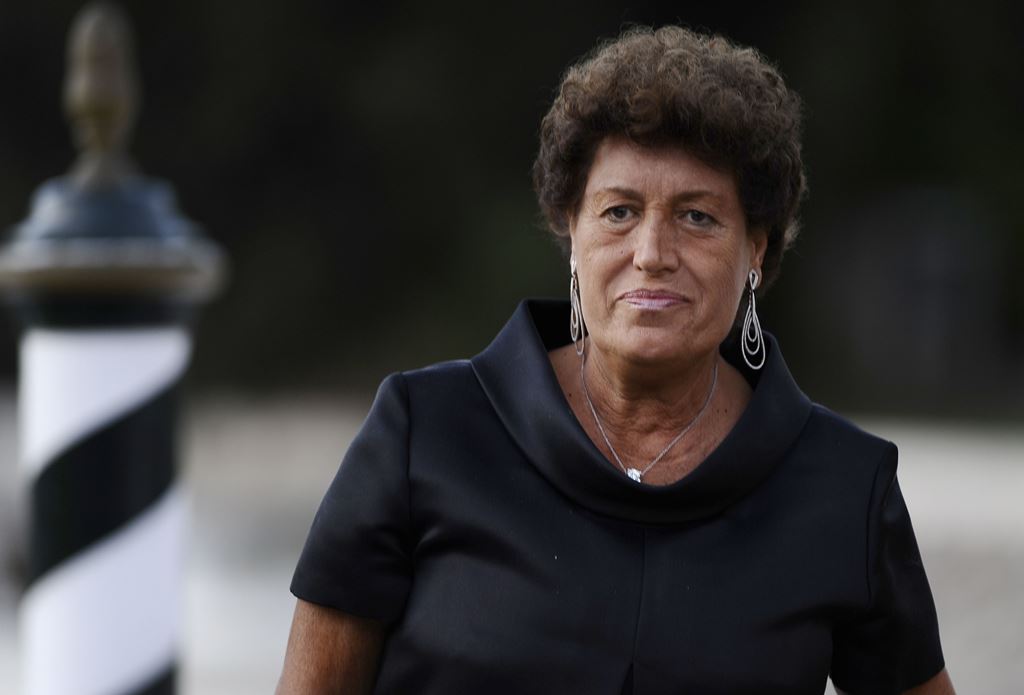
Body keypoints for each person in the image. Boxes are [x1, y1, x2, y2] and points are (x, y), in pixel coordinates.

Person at [277, 26, 954, 695]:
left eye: (697, 217)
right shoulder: (425, 435)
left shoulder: (843, 487)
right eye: (620, 211)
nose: (652, 253)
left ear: (755, 248)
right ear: (571, 230)